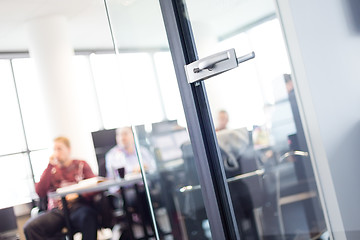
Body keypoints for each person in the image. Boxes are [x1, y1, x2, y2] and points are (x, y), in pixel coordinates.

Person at [24, 137, 98, 240]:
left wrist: (78, 195)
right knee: (31, 227)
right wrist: (50, 166)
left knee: (88, 216)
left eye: (59, 149)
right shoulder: (51, 170)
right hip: (57, 211)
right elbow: (40, 192)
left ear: (68, 149)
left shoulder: (81, 165)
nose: (56, 152)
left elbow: (95, 185)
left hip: (77, 207)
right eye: (54, 149)